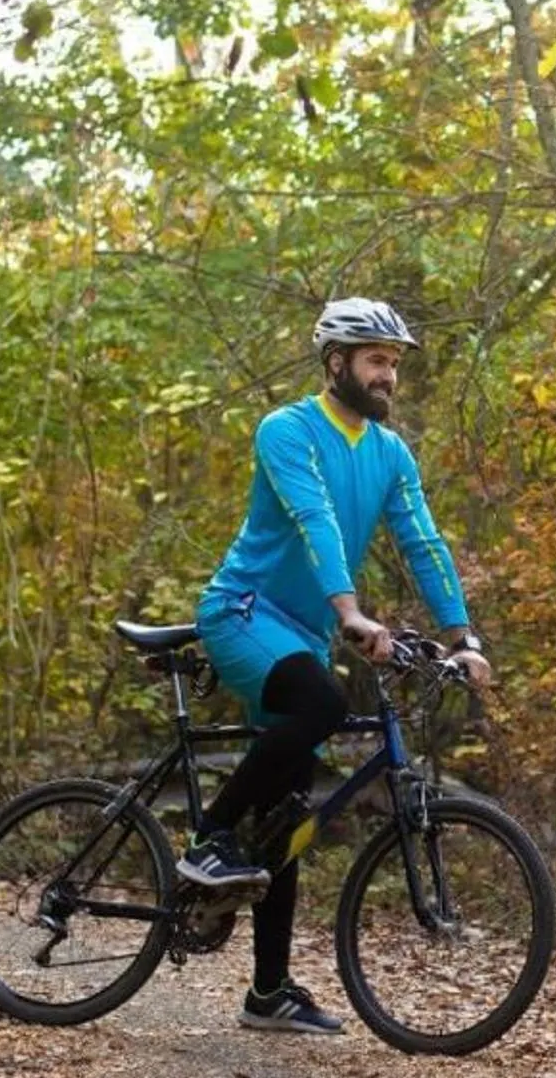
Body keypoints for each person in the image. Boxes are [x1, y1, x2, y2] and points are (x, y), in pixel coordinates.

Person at [179, 296, 490, 1035]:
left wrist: (463, 636)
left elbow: (422, 541)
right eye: (376, 361)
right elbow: (312, 514)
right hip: (244, 612)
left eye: (393, 364)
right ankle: (210, 839)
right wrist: (349, 610)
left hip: (305, 631)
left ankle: (268, 992)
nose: (388, 377)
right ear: (335, 363)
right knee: (318, 704)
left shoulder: (389, 454)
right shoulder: (287, 430)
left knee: (289, 809)